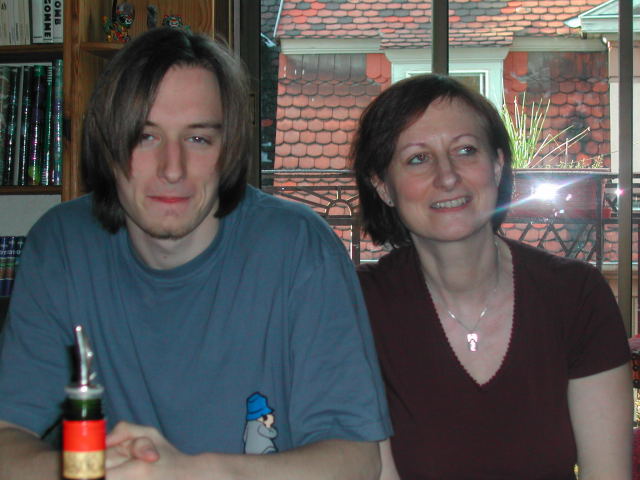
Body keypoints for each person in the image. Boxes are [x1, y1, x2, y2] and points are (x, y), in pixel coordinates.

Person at [0, 27, 392, 479]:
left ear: (229, 152)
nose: (173, 169)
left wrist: (190, 472)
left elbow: (356, 458)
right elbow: (8, 436)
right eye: (145, 137)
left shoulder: (301, 249)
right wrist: (94, 470)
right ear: (108, 147)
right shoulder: (62, 246)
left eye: (198, 139)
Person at [352, 74, 632, 479]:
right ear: (382, 186)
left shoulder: (576, 296)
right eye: (418, 158)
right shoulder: (358, 307)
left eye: (465, 150)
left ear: (498, 165)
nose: (447, 176)